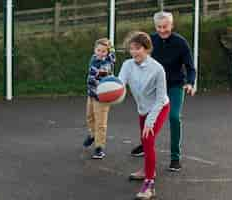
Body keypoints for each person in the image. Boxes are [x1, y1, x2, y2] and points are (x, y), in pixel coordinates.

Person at [130, 11, 196, 172]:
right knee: (145, 115)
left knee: (173, 117)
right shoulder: (150, 41)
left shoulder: (180, 43)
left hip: (174, 86)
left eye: (165, 26)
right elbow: (140, 58)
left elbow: (190, 67)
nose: (162, 30)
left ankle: (175, 158)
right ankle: (146, 144)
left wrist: (190, 83)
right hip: (154, 86)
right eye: (158, 27)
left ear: (171, 25)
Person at [118, 32, 170, 199]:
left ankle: (149, 184)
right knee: (145, 140)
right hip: (142, 108)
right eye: (131, 49)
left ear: (147, 48)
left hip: (159, 107)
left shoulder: (157, 69)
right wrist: (109, 88)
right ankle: (148, 170)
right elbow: (120, 84)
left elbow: (161, 99)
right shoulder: (127, 65)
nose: (134, 52)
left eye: (138, 48)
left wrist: (150, 120)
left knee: (147, 140)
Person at [82, 38, 115, 159]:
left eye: (103, 51)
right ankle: (92, 135)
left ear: (108, 52)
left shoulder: (108, 62)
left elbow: (112, 53)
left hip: (102, 96)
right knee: (90, 117)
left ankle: (99, 147)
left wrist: (110, 49)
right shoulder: (93, 58)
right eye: (98, 50)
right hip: (91, 94)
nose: (100, 53)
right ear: (94, 50)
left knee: (100, 122)